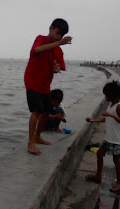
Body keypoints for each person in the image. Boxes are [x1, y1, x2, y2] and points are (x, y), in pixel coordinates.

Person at [24, 18, 72, 154]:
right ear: (50, 28)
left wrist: (56, 69)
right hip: (32, 81)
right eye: (57, 33)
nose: (59, 37)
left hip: (45, 84)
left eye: (61, 35)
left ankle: (38, 136)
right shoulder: (40, 39)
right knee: (36, 111)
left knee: (46, 111)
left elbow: (60, 67)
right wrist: (59, 43)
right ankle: (31, 142)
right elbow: (38, 50)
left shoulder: (58, 51)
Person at [85, 81, 120, 192]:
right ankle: (98, 175)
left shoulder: (119, 107)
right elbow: (106, 119)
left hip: (117, 139)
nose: (105, 97)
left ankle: (119, 183)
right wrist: (93, 120)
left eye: (106, 95)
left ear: (112, 96)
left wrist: (111, 115)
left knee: (116, 160)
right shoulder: (110, 105)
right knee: (100, 153)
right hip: (108, 138)